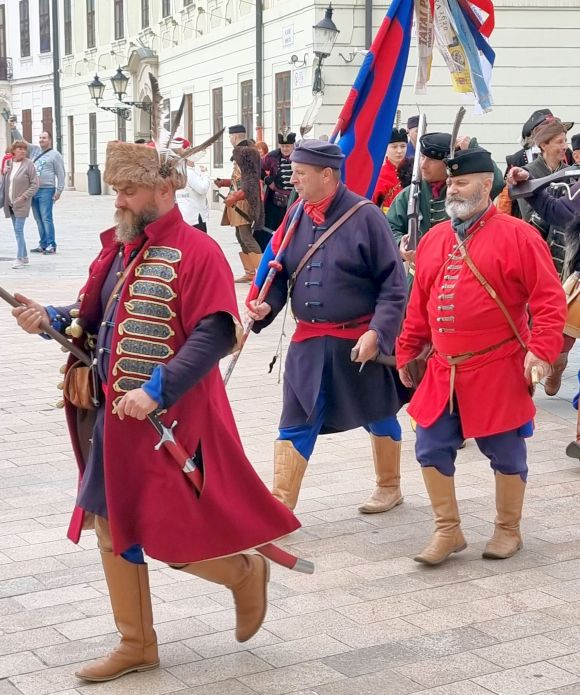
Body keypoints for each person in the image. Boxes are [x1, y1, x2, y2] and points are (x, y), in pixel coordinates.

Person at [11, 135, 300, 682]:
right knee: (108, 521)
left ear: (164, 188)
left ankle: (242, 572)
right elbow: (93, 315)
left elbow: (214, 334)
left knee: (165, 531)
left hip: (170, 420)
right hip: (111, 416)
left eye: (128, 190)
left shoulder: (200, 252)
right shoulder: (121, 248)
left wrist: (157, 389)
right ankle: (137, 642)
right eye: (117, 190)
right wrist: (46, 315)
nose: (117, 200)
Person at [396, 147, 567, 566]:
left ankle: (508, 530)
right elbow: (420, 304)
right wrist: (406, 350)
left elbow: (548, 302)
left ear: (485, 185)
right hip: (443, 368)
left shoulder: (518, 235)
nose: (453, 188)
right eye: (450, 182)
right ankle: (447, 531)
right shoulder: (435, 238)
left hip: (499, 365)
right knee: (430, 444)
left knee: (506, 452)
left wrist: (541, 351)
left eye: (462, 181)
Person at [247, 139, 409, 514]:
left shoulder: (367, 216)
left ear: (327, 175)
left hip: (358, 339)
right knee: (296, 417)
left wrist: (378, 334)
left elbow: (393, 285)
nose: (295, 181)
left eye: (301, 174)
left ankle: (390, 486)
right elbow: (281, 272)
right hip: (308, 341)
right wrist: (264, 307)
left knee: (378, 412)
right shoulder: (296, 214)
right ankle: (280, 506)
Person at [387, 133, 504, 264]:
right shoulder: (411, 192)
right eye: (422, 157)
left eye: (431, 160)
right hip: (418, 273)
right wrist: (399, 243)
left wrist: (473, 147)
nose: (423, 165)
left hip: (460, 268)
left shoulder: (467, 191)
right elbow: (390, 226)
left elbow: (497, 183)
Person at [215, 124, 263, 283]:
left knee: (246, 236)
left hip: (243, 202)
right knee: (240, 236)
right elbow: (239, 179)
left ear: (234, 137)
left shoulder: (246, 153)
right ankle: (250, 272)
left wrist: (235, 197)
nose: (230, 140)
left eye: (230, 137)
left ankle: (261, 273)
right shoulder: (245, 152)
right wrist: (224, 183)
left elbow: (250, 184)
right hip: (238, 199)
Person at [9, 122, 65, 254]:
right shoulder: (34, 150)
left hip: (47, 189)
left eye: (44, 138)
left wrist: (59, 191)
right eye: (40, 138)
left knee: (46, 217)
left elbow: (61, 173)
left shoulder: (55, 155)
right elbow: (22, 141)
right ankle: (43, 243)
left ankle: (51, 244)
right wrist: (13, 129)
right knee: (38, 219)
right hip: (34, 190)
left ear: (50, 140)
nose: (41, 140)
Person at [2, 140, 38, 269]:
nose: (23, 151)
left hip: (22, 203)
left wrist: (24, 197)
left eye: (24, 149)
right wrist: (4, 172)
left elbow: (35, 184)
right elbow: (5, 183)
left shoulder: (29, 164)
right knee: (17, 231)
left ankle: (19, 258)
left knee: (18, 230)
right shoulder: (9, 163)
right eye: (19, 149)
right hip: (10, 203)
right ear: (13, 151)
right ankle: (25, 256)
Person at [261, 129, 296, 232]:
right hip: (276, 201)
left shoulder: (300, 156)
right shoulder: (272, 156)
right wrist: (268, 180)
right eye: (282, 146)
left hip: (296, 199)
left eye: (287, 146)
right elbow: (258, 167)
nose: (285, 149)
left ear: (293, 145)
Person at [173, 137, 210, 232]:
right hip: (195, 216)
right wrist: (205, 174)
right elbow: (202, 188)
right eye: (189, 150)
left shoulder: (178, 170)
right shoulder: (188, 172)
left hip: (186, 215)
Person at [372, 128, 413, 213]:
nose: (399, 151)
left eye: (403, 146)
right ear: (385, 148)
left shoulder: (414, 169)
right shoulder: (378, 174)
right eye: (394, 147)